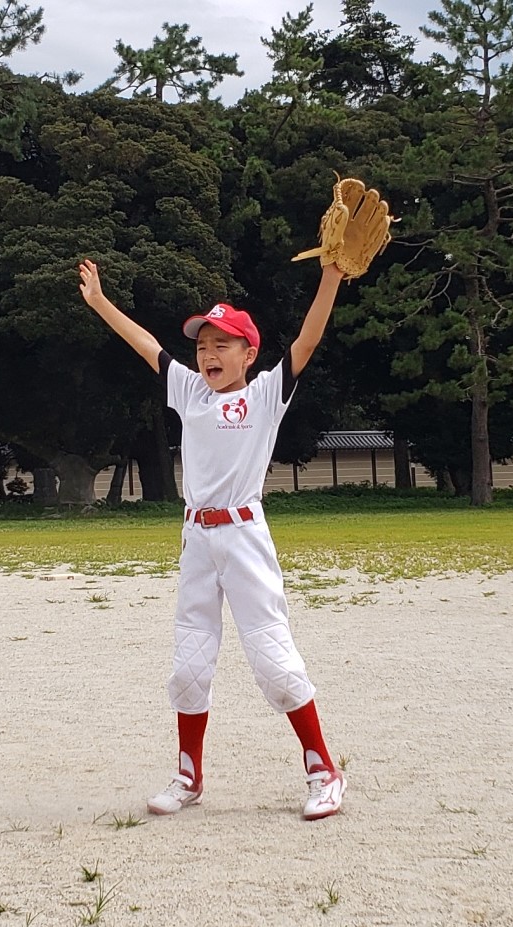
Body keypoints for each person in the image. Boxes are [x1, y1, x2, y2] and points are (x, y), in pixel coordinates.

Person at [77, 257, 348, 821]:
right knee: (189, 665)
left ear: (248, 354)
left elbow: (308, 338)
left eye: (223, 345)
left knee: (273, 661)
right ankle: (188, 776)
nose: (208, 354)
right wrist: (101, 303)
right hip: (196, 538)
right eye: (203, 344)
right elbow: (148, 345)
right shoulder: (191, 393)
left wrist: (332, 276)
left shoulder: (268, 394)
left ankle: (324, 770)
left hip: (245, 535)